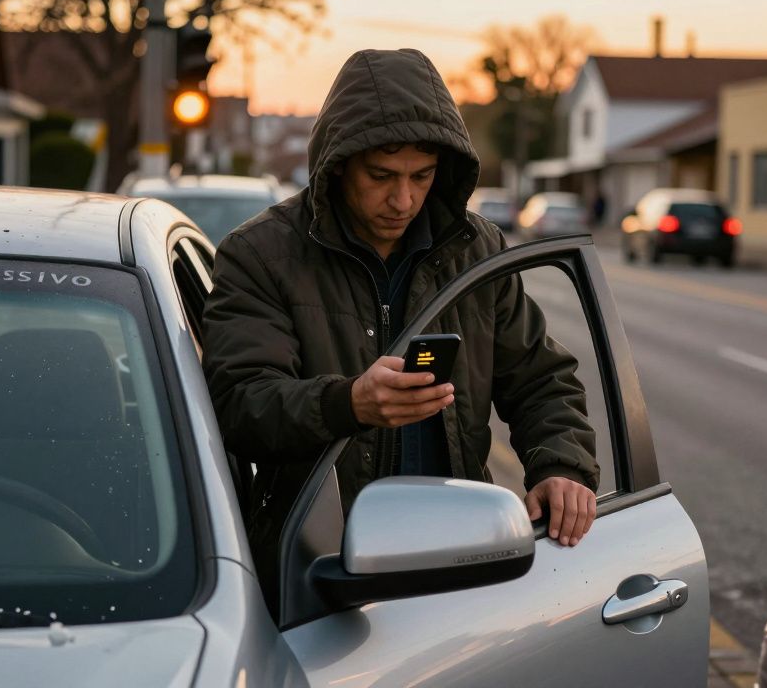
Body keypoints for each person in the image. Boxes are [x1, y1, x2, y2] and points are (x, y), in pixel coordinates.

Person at [202, 49, 599, 602]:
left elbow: (540, 378)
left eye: (422, 175)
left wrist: (560, 465)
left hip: (457, 559)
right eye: (381, 176)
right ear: (338, 163)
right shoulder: (260, 255)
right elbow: (239, 405)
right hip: (320, 572)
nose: (403, 199)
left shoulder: (476, 248)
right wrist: (348, 403)